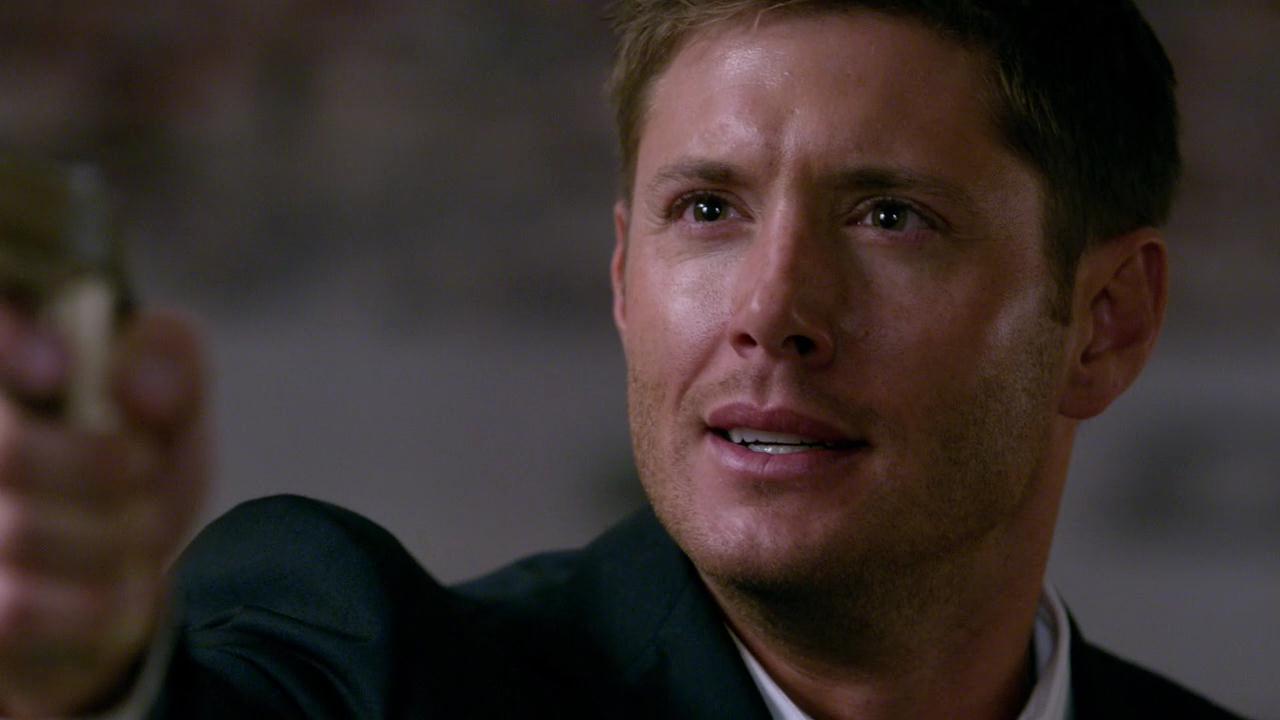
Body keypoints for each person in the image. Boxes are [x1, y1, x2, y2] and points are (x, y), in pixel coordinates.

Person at [0, 1, 1250, 718]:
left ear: (1103, 322)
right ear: (620, 277)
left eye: (889, 216)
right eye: (706, 209)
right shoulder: (379, 671)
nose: (770, 309)